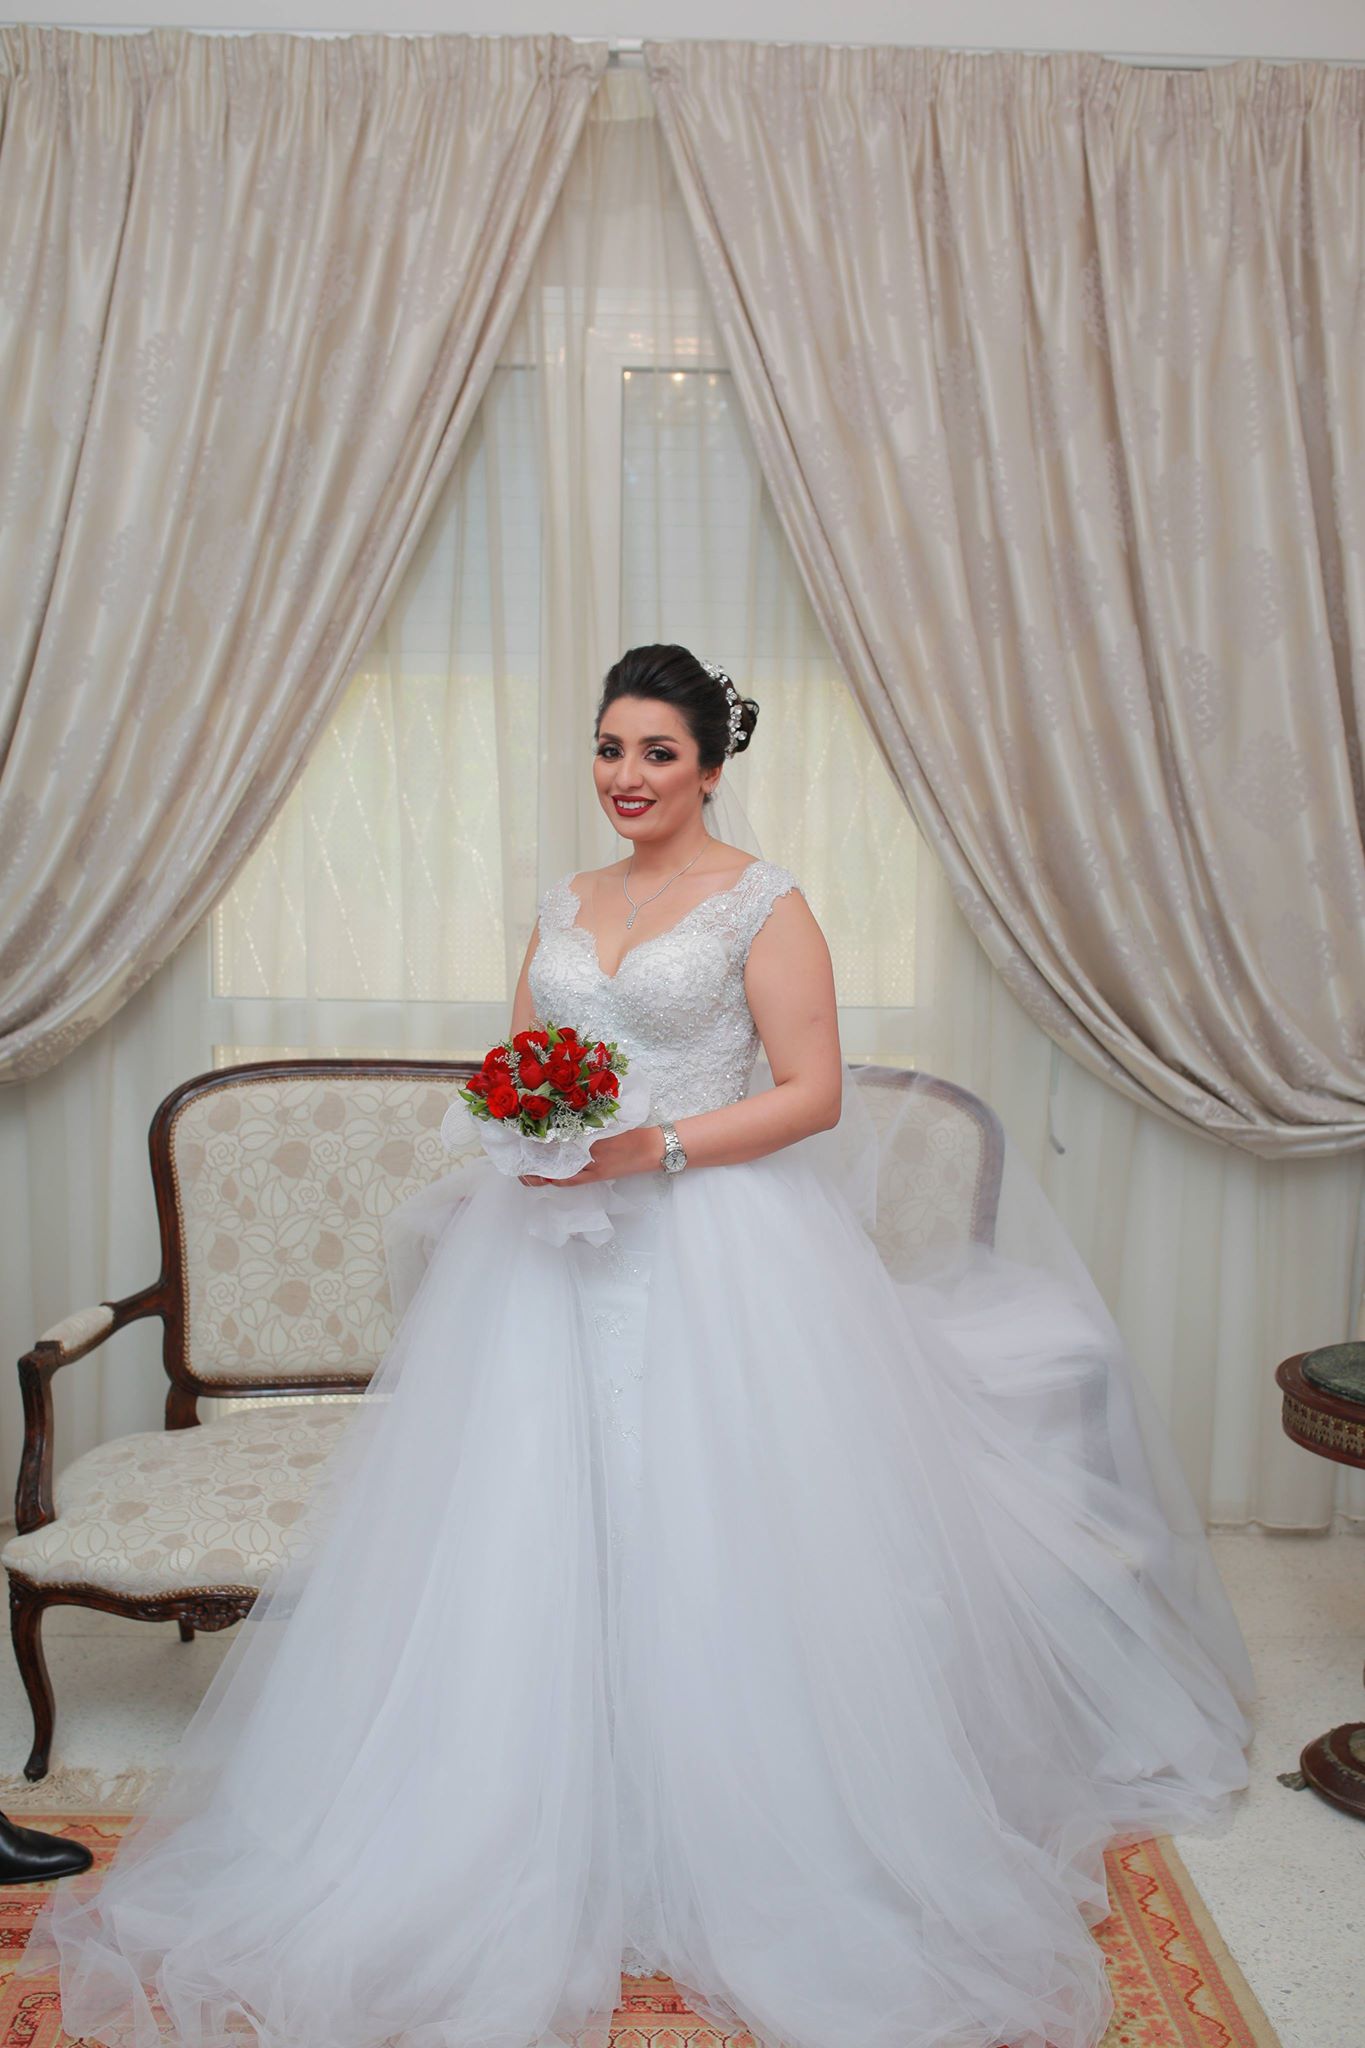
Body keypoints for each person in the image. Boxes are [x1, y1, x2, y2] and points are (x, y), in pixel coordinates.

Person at [18, 643, 1255, 2048]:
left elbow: (813, 1094)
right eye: (610, 747)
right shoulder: (566, 899)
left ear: (710, 766)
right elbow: (520, 1065)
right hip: (545, 1249)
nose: (627, 775)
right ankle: (514, 1809)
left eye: (657, 752)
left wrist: (646, 1147)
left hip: (719, 1250)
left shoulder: (764, 903)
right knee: (525, 1526)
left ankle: (741, 1819)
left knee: (712, 1525)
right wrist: (528, 1132)